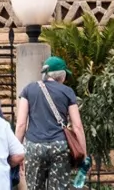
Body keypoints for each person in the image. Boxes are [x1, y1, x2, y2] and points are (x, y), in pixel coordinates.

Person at [14, 60, 84, 190]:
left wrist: (16, 152)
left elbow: (21, 124)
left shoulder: (29, 89)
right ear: (62, 76)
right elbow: (77, 126)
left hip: (34, 146)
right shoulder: (67, 91)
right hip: (59, 146)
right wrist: (83, 153)